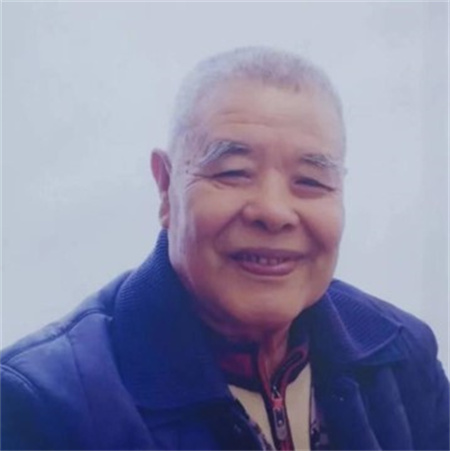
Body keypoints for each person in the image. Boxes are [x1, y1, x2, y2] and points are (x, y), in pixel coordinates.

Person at [1, 46, 448, 451]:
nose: (273, 211)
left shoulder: (400, 355)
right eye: (233, 173)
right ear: (165, 187)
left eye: (311, 181)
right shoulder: (43, 404)